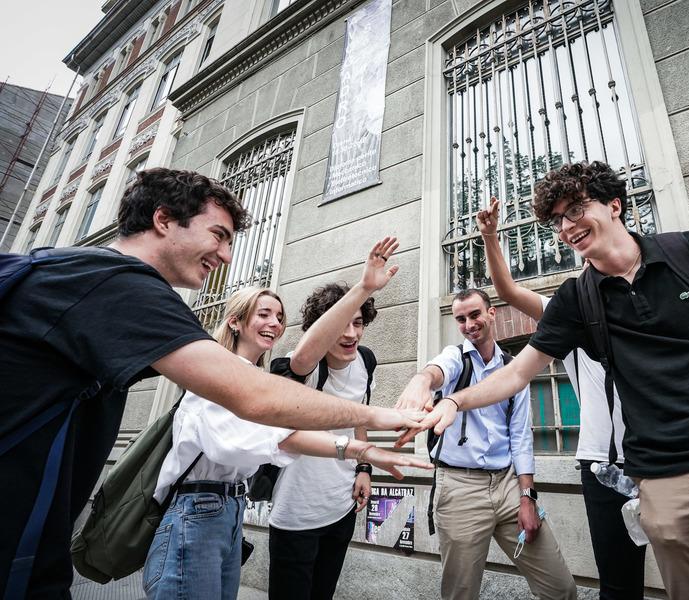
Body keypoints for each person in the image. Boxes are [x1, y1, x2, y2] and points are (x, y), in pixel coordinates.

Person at [401, 161, 689, 600]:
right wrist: (455, 402)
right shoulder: (574, 302)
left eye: (576, 209)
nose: (566, 227)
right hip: (663, 479)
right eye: (557, 221)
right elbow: (518, 372)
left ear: (615, 205)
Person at [0, 168, 422, 597]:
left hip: (60, 526)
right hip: (29, 533)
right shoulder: (119, 285)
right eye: (218, 236)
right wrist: (376, 419)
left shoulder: (85, 275)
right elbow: (258, 400)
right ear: (163, 220)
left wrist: (360, 451)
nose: (224, 256)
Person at [144, 285, 428, 599]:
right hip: (199, 505)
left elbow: (318, 426)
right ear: (235, 321)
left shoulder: (256, 377)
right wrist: (362, 446)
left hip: (234, 505)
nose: (275, 323)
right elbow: (271, 437)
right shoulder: (223, 374)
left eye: (279, 317)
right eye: (263, 314)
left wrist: (362, 462)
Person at [474, 197, 644, 600]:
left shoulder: (648, 306)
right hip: (606, 465)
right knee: (620, 586)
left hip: (671, 456)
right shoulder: (571, 311)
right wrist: (490, 238)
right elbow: (508, 291)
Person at [396, 288, 577, 600]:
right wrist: (421, 380)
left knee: (561, 588)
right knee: (461, 593)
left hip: (507, 484)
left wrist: (528, 498)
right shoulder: (456, 359)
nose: (469, 323)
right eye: (461, 319)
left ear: (492, 313)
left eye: (475, 314)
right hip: (459, 487)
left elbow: (521, 439)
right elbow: (437, 370)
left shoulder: (514, 368)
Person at [266, 239, 398, 600]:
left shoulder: (366, 361)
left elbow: (359, 415)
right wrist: (364, 286)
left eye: (358, 322)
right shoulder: (301, 365)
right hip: (296, 513)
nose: (351, 334)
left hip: (340, 507)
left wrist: (364, 470)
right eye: (341, 323)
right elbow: (301, 360)